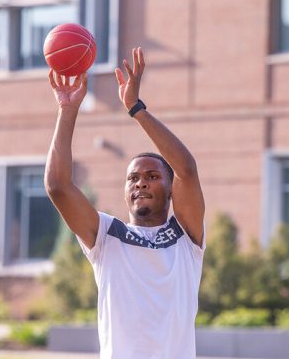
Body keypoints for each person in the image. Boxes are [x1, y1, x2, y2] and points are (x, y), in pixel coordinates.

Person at [45, 47, 206, 359]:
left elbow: (186, 168)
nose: (141, 182)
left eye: (152, 176)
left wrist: (136, 108)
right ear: (125, 191)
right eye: (133, 178)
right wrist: (67, 110)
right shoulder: (106, 235)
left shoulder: (186, 236)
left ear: (171, 188)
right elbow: (58, 187)